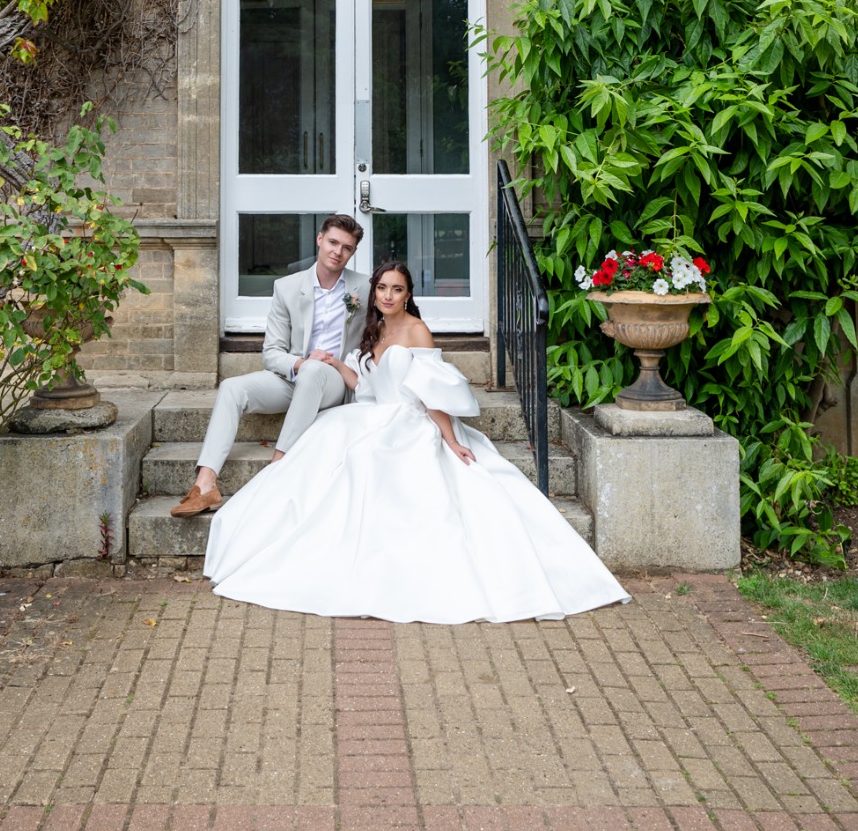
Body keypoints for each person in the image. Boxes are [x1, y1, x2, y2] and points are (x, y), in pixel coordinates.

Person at [204, 260, 629, 623]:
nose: (388, 296)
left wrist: (449, 438)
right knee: (325, 447)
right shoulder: (371, 332)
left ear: (408, 295)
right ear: (373, 294)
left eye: (397, 290)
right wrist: (337, 364)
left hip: (411, 418)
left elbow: (430, 391)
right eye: (382, 288)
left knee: (371, 458)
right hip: (371, 412)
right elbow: (365, 386)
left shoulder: (416, 331)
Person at [170, 214, 370, 517]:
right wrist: (301, 362)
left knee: (316, 370)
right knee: (232, 388)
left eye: (347, 247)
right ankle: (206, 484)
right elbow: (272, 353)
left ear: (353, 252)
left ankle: (277, 469)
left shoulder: (365, 288)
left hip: (334, 382)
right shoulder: (287, 288)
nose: (337, 252)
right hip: (297, 376)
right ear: (319, 239)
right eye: (332, 242)